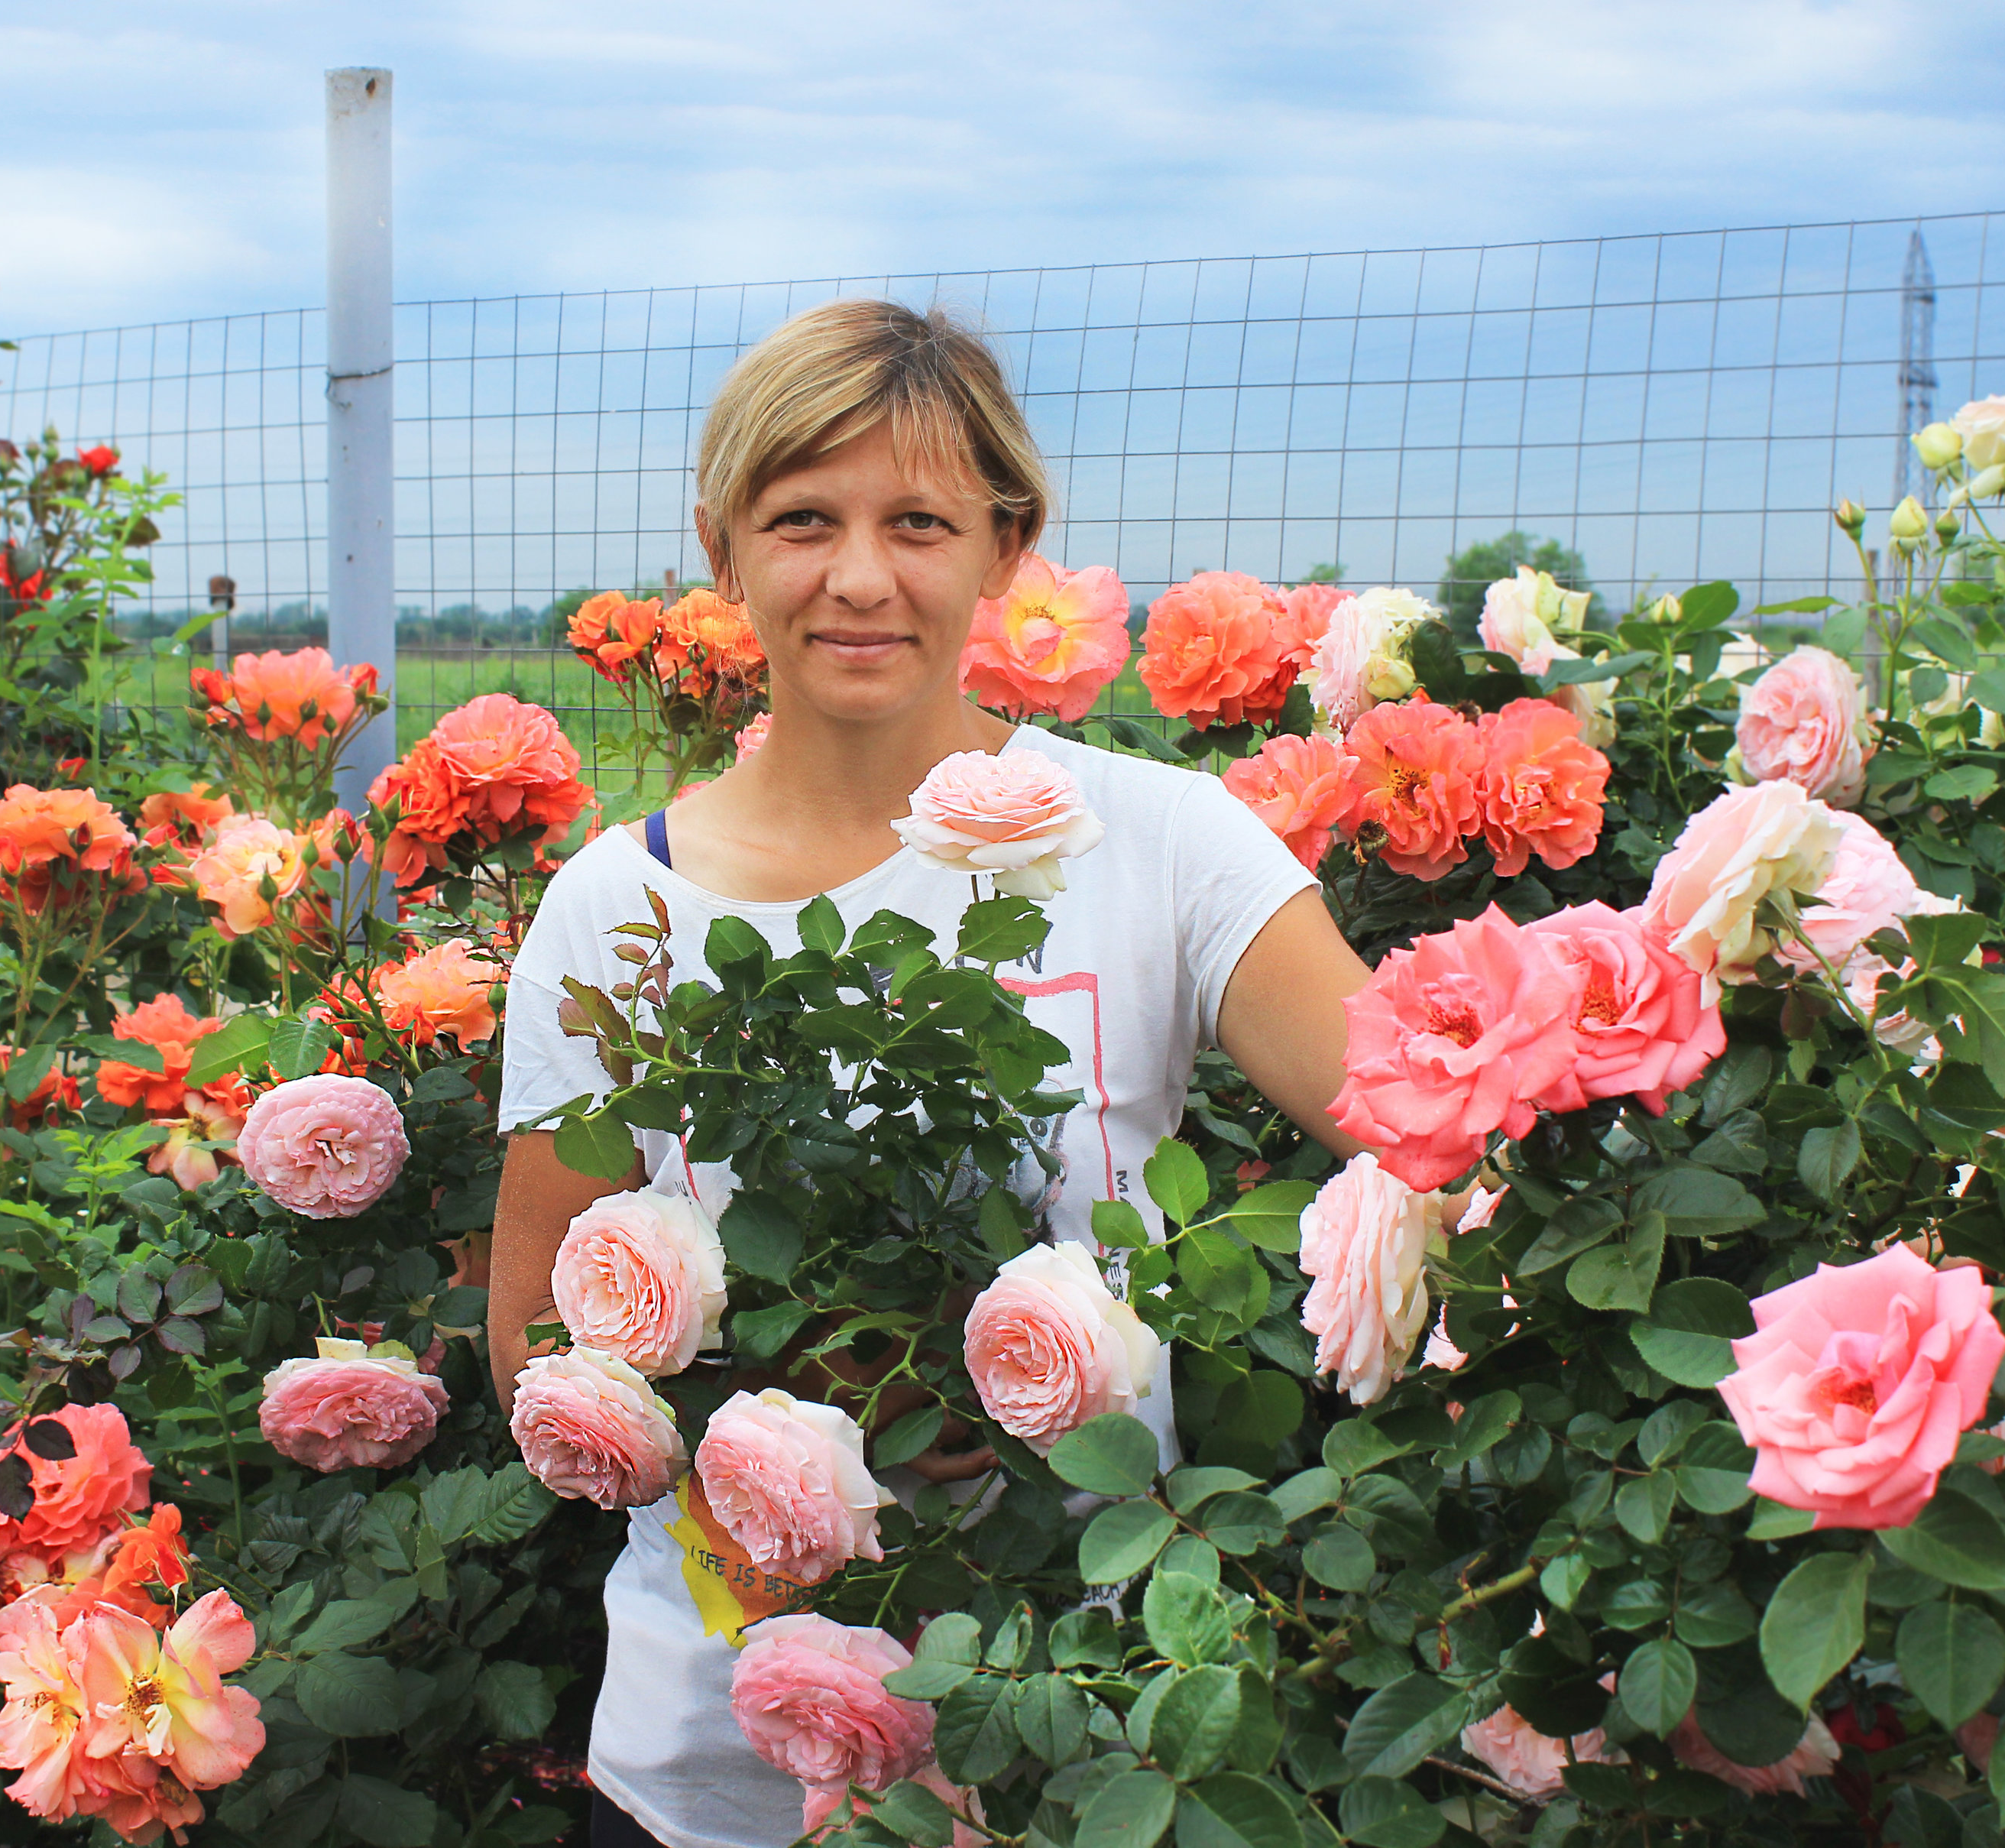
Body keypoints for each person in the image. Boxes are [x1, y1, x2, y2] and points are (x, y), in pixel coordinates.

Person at [491, 298, 1372, 1848]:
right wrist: (761, 1420)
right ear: (724, 552)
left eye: (916, 521)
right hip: (709, 1760)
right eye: (800, 519)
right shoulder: (616, 909)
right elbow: (527, 1336)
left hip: (1081, 1743)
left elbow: (1411, 1109)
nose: (856, 576)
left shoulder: (1159, 844)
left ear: (1003, 542)